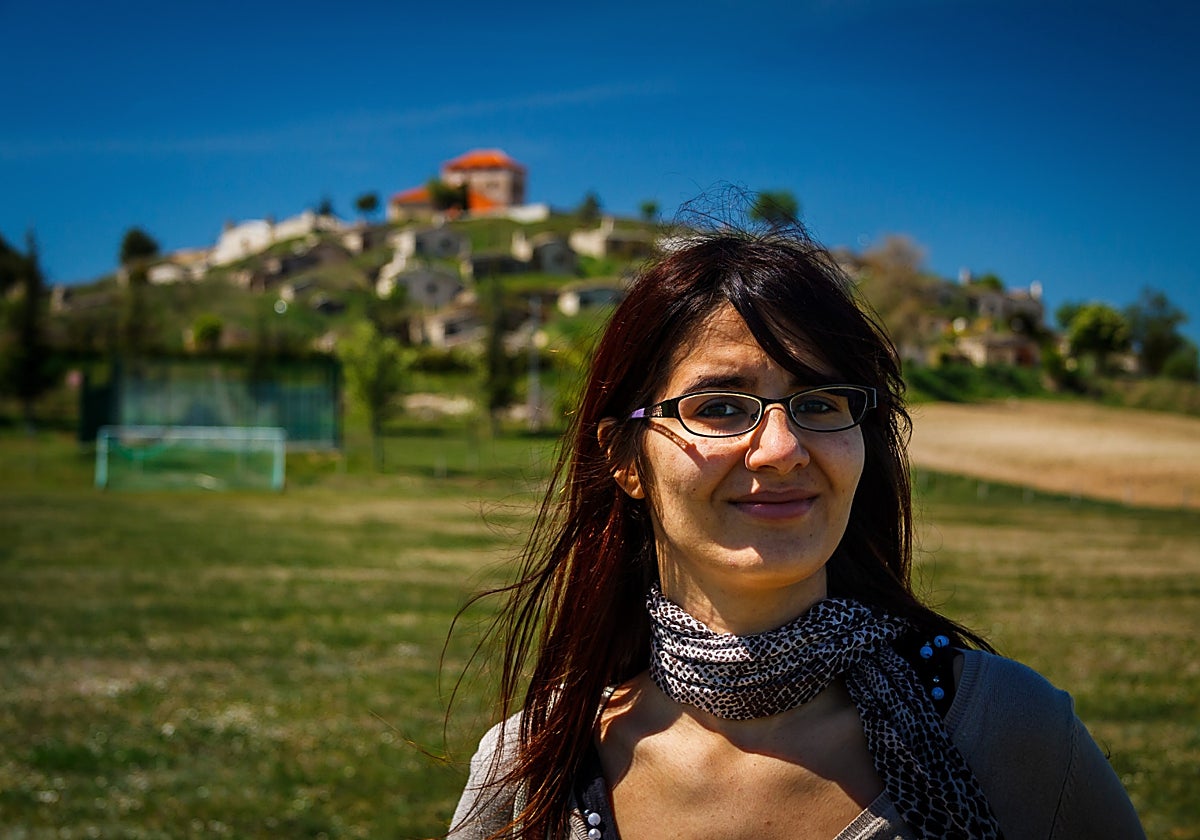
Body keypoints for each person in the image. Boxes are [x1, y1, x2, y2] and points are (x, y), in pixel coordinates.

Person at [447, 215, 1145, 840]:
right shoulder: (530, 773)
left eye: (819, 402)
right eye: (720, 407)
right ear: (626, 458)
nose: (782, 449)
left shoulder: (1008, 731)